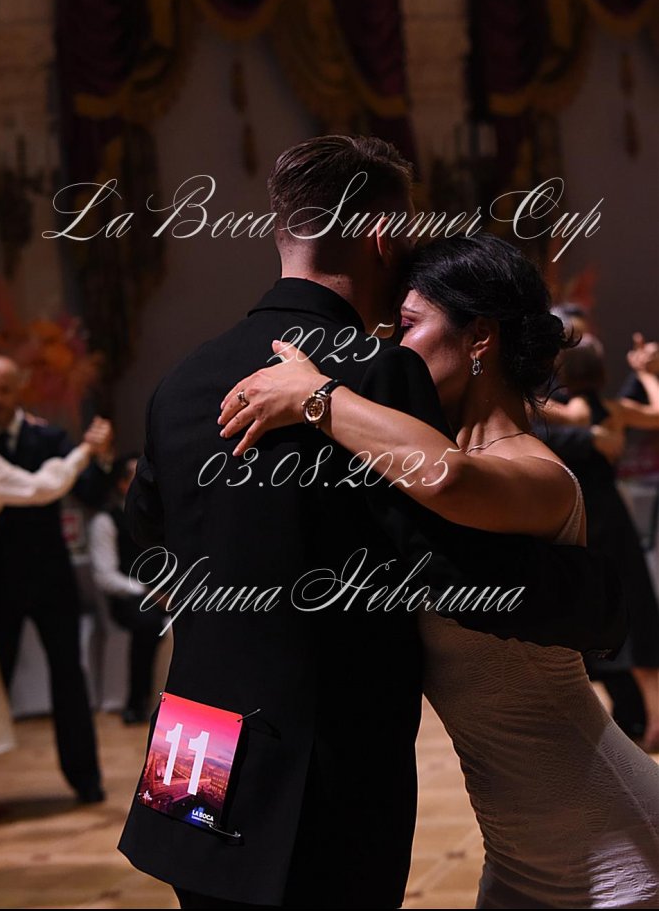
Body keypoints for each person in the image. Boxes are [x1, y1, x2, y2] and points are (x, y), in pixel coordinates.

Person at [119, 136, 623, 911]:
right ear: (384, 235)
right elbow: (445, 562)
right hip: (325, 772)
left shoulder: (182, 379)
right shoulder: (380, 374)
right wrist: (598, 599)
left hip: (192, 749)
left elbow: (148, 540)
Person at [220, 233, 659, 910]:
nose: (393, 348)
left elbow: (449, 478)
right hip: (515, 859)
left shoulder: (537, 471)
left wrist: (317, 395)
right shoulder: (426, 470)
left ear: (479, 336)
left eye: (409, 325)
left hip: (615, 849)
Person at [0, 354, 111, 803]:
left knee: (68, 676)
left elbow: (86, 491)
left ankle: (86, 779)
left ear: (19, 389)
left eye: (4, 388)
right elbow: (42, 487)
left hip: (49, 578)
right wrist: (83, 452)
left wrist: (99, 456)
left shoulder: (47, 437)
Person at [540, 333, 659, 752]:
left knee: (595, 615)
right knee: (633, 609)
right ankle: (649, 718)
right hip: (613, 520)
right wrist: (646, 374)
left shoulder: (561, 412)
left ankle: (636, 721)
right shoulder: (611, 410)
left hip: (577, 524)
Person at [88, 454, 164, 724]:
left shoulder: (162, 516)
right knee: (148, 624)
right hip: (129, 596)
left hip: (166, 593)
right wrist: (148, 592)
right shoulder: (106, 521)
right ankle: (137, 702)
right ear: (122, 484)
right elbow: (105, 576)